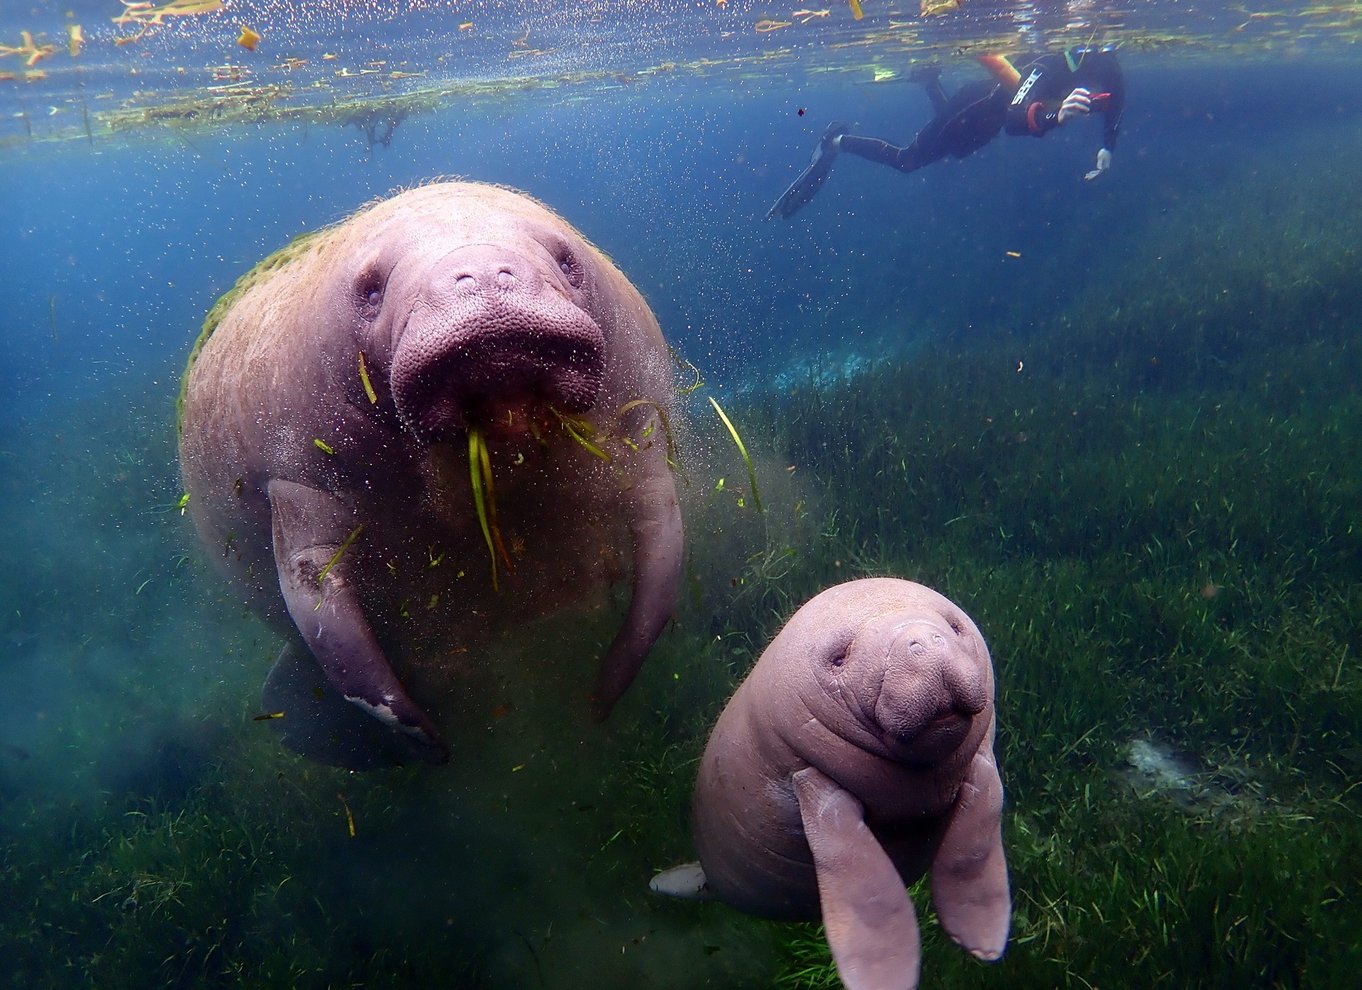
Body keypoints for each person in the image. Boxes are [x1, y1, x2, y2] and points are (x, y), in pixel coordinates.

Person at [766, 46, 1125, 219]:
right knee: (908, 160)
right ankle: (836, 140)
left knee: (955, 148)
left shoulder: (1104, 62)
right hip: (975, 106)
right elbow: (1017, 122)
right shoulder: (1046, 66)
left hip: (984, 120)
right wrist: (1055, 118)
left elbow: (1116, 96)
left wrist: (1107, 145)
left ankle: (929, 81)